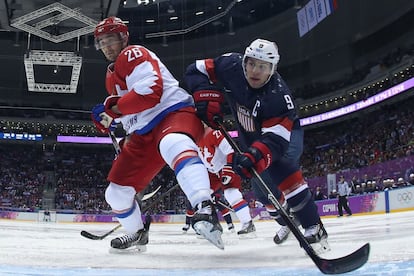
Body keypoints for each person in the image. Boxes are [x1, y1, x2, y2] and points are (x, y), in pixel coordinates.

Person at [91, 16, 223, 251]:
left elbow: (150, 92)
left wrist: (112, 109)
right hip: (143, 133)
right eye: (101, 42)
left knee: (173, 142)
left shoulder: (133, 53)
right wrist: (111, 121)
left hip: (172, 113)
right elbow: (126, 111)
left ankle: (204, 208)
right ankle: (137, 235)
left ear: (123, 37)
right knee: (116, 194)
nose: (106, 46)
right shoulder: (110, 75)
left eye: (110, 39)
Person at [184, 38, 329, 251]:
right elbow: (194, 70)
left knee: (282, 165)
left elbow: (276, 142)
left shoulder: (278, 96)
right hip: (251, 138)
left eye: (262, 67)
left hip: (284, 134)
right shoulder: (231, 65)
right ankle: (287, 221)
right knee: (262, 192)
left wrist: (255, 154)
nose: (255, 71)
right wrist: (206, 96)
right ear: (244, 61)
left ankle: (313, 226)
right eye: (251, 63)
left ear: (272, 69)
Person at [183, 126, 256, 238]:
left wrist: (229, 166)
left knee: (231, 194)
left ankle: (248, 224)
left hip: (225, 166)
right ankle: (209, 226)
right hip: (211, 172)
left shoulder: (213, 132)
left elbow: (230, 149)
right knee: (202, 195)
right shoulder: (195, 139)